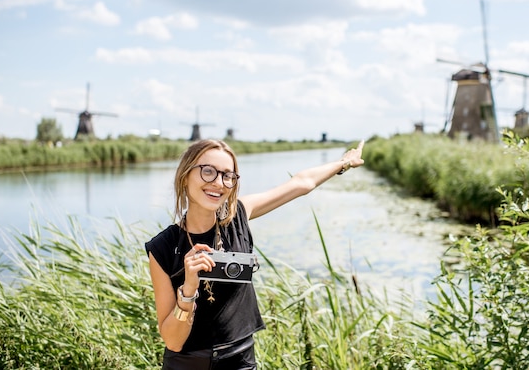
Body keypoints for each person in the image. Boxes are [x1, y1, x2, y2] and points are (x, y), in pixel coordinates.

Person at [145, 139, 365, 369]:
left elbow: (301, 183)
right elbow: (173, 340)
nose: (218, 183)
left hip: (240, 360)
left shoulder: (237, 216)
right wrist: (188, 290)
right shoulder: (163, 247)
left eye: (227, 175)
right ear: (185, 175)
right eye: (208, 171)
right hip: (188, 364)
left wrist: (344, 162)